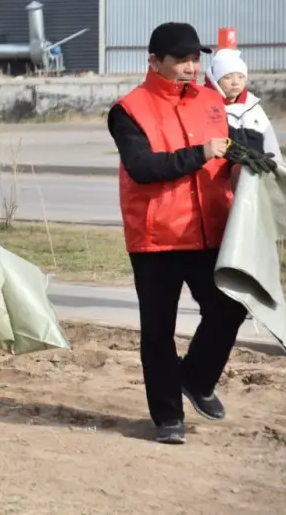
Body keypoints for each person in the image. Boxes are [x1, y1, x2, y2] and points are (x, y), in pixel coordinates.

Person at [106, 22, 268, 445]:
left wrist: (252, 157)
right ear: (154, 61)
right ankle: (167, 418)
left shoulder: (213, 102)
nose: (190, 67)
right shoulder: (128, 110)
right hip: (155, 238)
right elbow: (143, 168)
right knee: (157, 331)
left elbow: (230, 148)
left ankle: (195, 380)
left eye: (196, 58)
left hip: (209, 232)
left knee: (230, 308)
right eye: (180, 59)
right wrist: (200, 154)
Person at [204, 47, 282, 164]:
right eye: (227, 77)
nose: (235, 82)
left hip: (255, 176)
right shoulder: (204, 106)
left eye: (240, 77)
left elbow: (271, 145)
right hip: (219, 178)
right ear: (215, 80)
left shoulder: (254, 107)